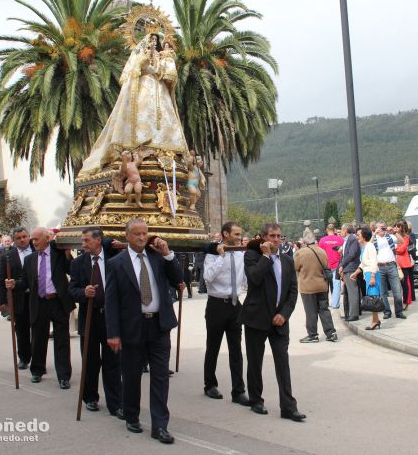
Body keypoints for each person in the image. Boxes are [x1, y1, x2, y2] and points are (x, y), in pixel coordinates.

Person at [105, 219, 182, 444]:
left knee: (160, 376)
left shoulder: (157, 257)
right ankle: (131, 415)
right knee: (131, 375)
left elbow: (178, 279)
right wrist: (113, 333)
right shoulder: (117, 263)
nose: (141, 238)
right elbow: (111, 301)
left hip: (159, 326)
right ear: (127, 235)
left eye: (144, 233)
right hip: (132, 327)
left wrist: (168, 254)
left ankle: (160, 425)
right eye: (137, 234)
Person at [79, 34, 189, 177]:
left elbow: (166, 74)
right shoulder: (140, 52)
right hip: (144, 86)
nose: (154, 42)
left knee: (164, 118)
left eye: (156, 40)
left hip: (158, 88)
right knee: (143, 115)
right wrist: (146, 61)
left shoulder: (161, 55)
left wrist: (165, 64)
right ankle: (142, 144)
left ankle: (163, 149)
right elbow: (136, 68)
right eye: (152, 39)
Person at [239, 223, 305, 422]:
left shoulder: (286, 259)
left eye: (279, 236)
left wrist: (284, 314)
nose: (277, 240)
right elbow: (254, 278)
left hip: (279, 321)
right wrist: (266, 256)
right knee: (255, 361)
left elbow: (293, 291)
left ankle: (288, 407)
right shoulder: (252, 256)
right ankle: (256, 399)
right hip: (256, 318)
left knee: (283, 364)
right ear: (263, 237)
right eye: (272, 236)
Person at [5, 227, 74, 388]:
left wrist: (68, 254)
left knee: (62, 340)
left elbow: (70, 268)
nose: (33, 242)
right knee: (38, 339)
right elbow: (24, 281)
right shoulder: (30, 259)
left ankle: (64, 376)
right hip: (39, 302)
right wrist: (14, 284)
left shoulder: (58, 253)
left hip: (58, 302)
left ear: (46, 239)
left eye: (36, 239)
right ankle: (37, 371)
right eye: (33, 240)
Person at [68, 227, 122, 417]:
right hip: (89, 317)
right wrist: (83, 292)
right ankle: (90, 398)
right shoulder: (78, 263)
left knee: (113, 362)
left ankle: (116, 402)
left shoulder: (113, 259)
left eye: (86, 241)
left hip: (110, 318)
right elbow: (72, 289)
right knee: (90, 361)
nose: (83, 244)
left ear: (98, 240)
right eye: (82, 241)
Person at [201, 222, 251, 405]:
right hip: (216, 305)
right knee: (213, 346)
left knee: (236, 349)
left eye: (240, 234)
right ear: (225, 234)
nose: (239, 237)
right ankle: (210, 385)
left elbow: (245, 278)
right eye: (236, 234)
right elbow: (207, 277)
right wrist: (221, 257)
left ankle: (238, 391)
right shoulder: (212, 254)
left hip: (235, 304)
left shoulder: (240, 254)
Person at [0, 228, 32, 370]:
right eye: (18, 238)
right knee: (21, 330)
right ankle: (24, 357)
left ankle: (38, 359)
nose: (22, 240)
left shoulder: (37, 251)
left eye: (24, 236)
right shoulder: (7, 255)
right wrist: (1, 301)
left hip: (36, 297)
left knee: (38, 331)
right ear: (14, 240)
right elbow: (1, 279)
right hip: (18, 297)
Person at [294, 229, 337, 343]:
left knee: (311, 311)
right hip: (322, 285)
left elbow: (296, 267)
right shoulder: (322, 251)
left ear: (304, 241)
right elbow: (327, 266)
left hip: (308, 287)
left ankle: (313, 335)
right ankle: (331, 333)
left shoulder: (301, 253)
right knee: (324, 309)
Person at [373, 221, 405, 320]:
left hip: (391, 265)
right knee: (383, 292)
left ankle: (399, 312)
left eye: (383, 227)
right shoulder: (374, 239)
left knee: (397, 291)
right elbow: (367, 246)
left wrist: (394, 232)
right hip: (380, 267)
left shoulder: (390, 237)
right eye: (380, 227)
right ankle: (387, 311)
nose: (382, 229)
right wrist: (374, 233)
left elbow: (401, 241)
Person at [351, 226, 380, 330]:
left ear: (364, 236)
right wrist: (356, 272)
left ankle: (375, 321)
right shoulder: (365, 247)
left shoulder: (370, 247)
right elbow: (363, 264)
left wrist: (372, 276)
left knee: (373, 298)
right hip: (367, 274)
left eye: (359, 235)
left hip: (372, 274)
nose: (358, 236)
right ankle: (375, 320)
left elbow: (374, 262)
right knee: (372, 298)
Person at [338, 223, 361, 321]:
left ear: (346, 230)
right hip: (348, 267)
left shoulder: (352, 239)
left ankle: (354, 314)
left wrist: (342, 265)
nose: (340, 232)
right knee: (349, 292)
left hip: (351, 267)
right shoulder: (348, 239)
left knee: (353, 292)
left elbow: (351, 254)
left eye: (342, 230)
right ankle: (350, 313)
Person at [318, 224, 344, 309]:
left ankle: (325, 303)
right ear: (334, 230)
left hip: (325, 266)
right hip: (337, 265)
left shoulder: (322, 241)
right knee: (336, 285)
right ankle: (335, 303)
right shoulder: (340, 239)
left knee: (325, 286)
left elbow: (319, 254)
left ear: (326, 230)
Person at [394, 220, 415, 309]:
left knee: (404, 283)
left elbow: (402, 249)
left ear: (402, 228)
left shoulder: (406, 237)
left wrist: (394, 249)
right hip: (395, 262)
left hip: (404, 263)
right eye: (395, 226)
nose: (396, 228)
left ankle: (406, 301)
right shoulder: (393, 236)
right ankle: (401, 301)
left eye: (398, 227)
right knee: (397, 284)